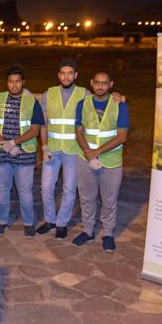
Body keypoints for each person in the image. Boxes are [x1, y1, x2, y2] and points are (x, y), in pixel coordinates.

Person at [38, 58, 123, 239]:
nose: (66, 77)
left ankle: (61, 223)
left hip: (73, 150)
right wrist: (44, 147)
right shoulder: (48, 94)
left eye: (70, 73)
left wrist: (121, 98)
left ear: (76, 75)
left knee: (69, 188)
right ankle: (50, 220)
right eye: (63, 73)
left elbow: (103, 101)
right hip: (52, 149)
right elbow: (43, 123)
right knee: (46, 188)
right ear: (58, 75)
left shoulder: (84, 94)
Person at [72, 70, 130, 252]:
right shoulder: (83, 104)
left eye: (104, 83)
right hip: (85, 159)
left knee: (109, 199)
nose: (100, 86)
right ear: (91, 82)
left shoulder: (119, 106)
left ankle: (108, 233)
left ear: (111, 85)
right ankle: (88, 230)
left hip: (111, 161)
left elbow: (122, 137)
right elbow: (79, 132)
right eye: (97, 82)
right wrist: (88, 152)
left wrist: (96, 152)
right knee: (86, 197)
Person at [0, 65, 43, 237]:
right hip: (1, 153)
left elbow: (35, 129)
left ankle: (28, 223)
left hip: (24, 154)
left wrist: (13, 142)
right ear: (7, 82)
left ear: (23, 82)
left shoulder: (32, 101)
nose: (14, 85)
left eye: (18, 81)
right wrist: (4, 143)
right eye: (11, 81)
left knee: (25, 191)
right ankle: (2, 221)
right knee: (1, 190)